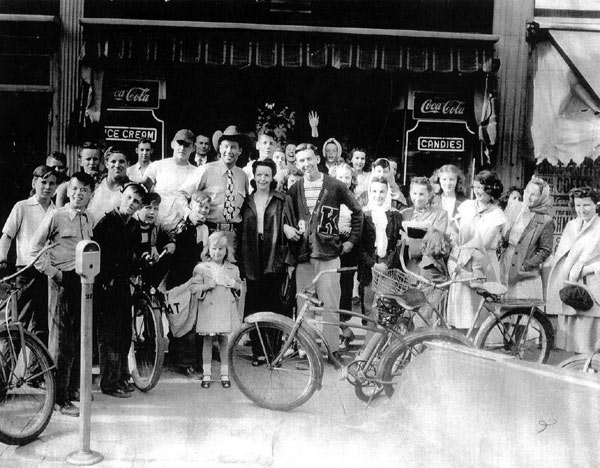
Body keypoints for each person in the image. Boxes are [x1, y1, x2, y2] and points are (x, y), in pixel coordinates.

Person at [286, 143, 363, 360]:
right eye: (301, 161)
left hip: (328, 255)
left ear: (317, 159)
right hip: (303, 256)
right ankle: (307, 350)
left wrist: (351, 241)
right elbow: (289, 219)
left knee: (330, 304)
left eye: (309, 159)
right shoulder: (295, 189)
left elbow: (357, 212)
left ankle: (332, 349)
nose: (306, 164)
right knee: (304, 304)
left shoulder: (335, 186)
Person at [29, 172, 96, 417]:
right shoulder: (55, 216)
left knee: (80, 337)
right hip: (62, 281)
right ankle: (58, 399)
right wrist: (54, 274)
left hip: (83, 281)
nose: (79, 194)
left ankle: (72, 389)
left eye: (85, 190)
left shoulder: (89, 217)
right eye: (75, 189)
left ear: (91, 194)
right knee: (61, 341)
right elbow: (34, 249)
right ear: (68, 191)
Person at [238, 159, 296, 365]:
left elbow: (291, 229)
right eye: (259, 175)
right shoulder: (247, 201)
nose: (263, 179)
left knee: (275, 305)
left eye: (267, 175)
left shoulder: (282, 200)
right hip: (252, 255)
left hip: (274, 255)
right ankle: (259, 352)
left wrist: (289, 260)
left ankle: (275, 352)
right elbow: (240, 231)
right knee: (254, 305)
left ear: (273, 178)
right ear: (254, 176)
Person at [94, 183, 145, 398]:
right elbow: (96, 257)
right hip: (106, 288)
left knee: (124, 334)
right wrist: (105, 282)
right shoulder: (106, 224)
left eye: (137, 202)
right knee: (109, 336)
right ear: (122, 196)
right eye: (130, 198)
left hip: (123, 287)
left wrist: (140, 262)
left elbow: (132, 257)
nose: (132, 204)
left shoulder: (133, 226)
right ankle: (109, 383)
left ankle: (121, 377)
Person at [0, 165, 58, 345]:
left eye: (52, 183)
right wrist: (2, 257)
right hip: (26, 272)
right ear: (34, 182)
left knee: (42, 326)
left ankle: (37, 372)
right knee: (19, 323)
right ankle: (6, 370)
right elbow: (7, 235)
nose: (48, 187)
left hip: (47, 273)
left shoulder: (57, 211)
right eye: (44, 182)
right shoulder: (22, 206)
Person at [446, 170, 505, 331]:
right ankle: (462, 338)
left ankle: (481, 340)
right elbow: (453, 229)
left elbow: (484, 242)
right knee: (461, 303)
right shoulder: (467, 206)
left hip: (482, 260)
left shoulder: (497, 214)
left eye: (483, 187)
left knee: (479, 305)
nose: (478, 191)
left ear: (492, 189)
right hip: (462, 258)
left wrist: (464, 238)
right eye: (476, 187)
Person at [163, 191, 211, 378]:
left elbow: (204, 252)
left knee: (194, 320)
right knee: (179, 318)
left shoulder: (205, 229)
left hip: (195, 275)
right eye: (200, 206)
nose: (204, 210)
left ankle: (189, 360)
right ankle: (178, 358)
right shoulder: (180, 224)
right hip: (178, 277)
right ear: (191, 205)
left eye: (207, 207)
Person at [548, 187, 600, 353]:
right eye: (578, 205)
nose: (582, 210)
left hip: (593, 284)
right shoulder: (572, 225)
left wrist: (588, 268)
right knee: (574, 339)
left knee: (590, 336)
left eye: (587, 205)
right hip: (571, 284)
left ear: (595, 205)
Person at [190, 232, 242, 389]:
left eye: (221, 249)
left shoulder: (233, 269)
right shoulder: (201, 268)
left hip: (225, 310)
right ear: (208, 249)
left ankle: (224, 374)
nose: (217, 252)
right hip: (209, 311)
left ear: (227, 250)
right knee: (207, 342)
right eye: (214, 248)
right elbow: (193, 287)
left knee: (224, 342)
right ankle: (207, 374)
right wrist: (206, 286)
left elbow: (240, 287)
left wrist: (232, 283)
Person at [197, 126, 249, 261]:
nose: (229, 151)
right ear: (220, 148)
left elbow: (246, 206)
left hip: (233, 236)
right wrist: (192, 214)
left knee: (230, 277)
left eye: (233, 147)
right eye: (225, 146)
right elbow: (185, 194)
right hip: (210, 233)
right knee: (208, 274)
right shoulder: (206, 170)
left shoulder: (242, 176)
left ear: (240, 150)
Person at [498, 176, 554, 300]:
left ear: (541, 197)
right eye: (527, 192)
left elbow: (545, 250)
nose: (528, 197)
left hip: (525, 272)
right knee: (505, 308)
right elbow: (506, 238)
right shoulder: (516, 210)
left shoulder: (545, 220)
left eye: (534, 194)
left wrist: (526, 265)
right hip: (507, 262)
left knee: (523, 308)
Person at [141, 129, 200, 230]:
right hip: (154, 224)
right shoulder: (158, 166)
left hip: (180, 227)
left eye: (187, 145)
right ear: (173, 144)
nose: (182, 148)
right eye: (179, 143)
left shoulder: (197, 173)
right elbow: (141, 190)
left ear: (193, 148)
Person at [400, 177, 448, 273]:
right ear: (410, 193)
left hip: (430, 269)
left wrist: (410, 242)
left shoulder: (440, 215)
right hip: (407, 268)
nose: (417, 198)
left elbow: (435, 246)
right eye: (414, 193)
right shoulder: (404, 214)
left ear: (429, 195)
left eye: (421, 194)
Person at [134, 192, 176, 288]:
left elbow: (170, 231)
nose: (152, 212)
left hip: (150, 265)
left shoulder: (157, 224)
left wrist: (172, 242)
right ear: (139, 208)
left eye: (156, 209)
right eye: (148, 207)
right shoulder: (132, 224)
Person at [87, 145, 130, 225]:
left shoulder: (130, 190)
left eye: (121, 161)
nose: (117, 165)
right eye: (113, 161)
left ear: (127, 164)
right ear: (106, 164)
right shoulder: (95, 183)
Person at [56, 142, 102, 207]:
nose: (92, 163)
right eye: (88, 159)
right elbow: (60, 213)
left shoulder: (103, 185)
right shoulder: (65, 187)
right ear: (80, 161)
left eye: (95, 159)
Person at [430, 164, 468, 241]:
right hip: (435, 244)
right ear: (439, 180)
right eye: (444, 179)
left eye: (451, 179)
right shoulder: (431, 201)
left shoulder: (465, 203)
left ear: (457, 180)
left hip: (457, 243)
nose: (448, 183)